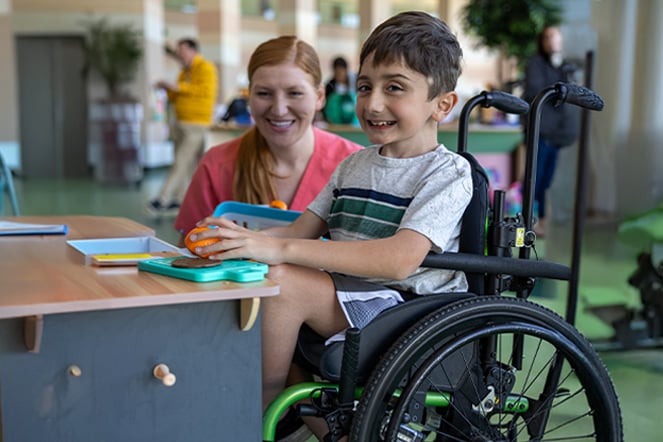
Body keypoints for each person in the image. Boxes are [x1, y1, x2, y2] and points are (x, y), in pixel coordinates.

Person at [188, 11, 472, 439]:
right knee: (264, 274)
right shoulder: (353, 164)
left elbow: (398, 261)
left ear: (443, 104)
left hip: (408, 310)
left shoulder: (447, 173)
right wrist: (237, 241)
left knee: (283, 281)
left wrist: (276, 252)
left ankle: (252, 412)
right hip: (352, 299)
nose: (373, 103)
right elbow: (297, 231)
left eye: (394, 87)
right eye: (364, 86)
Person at [173, 36, 362, 243]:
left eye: (295, 93)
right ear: (249, 96)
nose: (279, 109)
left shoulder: (355, 167)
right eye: (264, 93)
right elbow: (190, 252)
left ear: (319, 97)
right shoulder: (217, 165)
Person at [148, 38, 218, 215]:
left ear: (193, 50)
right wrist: (167, 89)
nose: (179, 56)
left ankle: (162, 199)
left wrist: (177, 87)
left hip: (196, 123)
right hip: (180, 122)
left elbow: (203, 91)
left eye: (182, 51)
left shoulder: (206, 68)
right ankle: (178, 200)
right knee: (183, 165)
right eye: (178, 52)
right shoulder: (183, 72)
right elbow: (177, 95)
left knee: (181, 161)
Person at [522, 25, 579, 237]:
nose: (551, 41)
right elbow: (536, 92)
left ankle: (542, 221)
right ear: (542, 41)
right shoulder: (536, 64)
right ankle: (530, 221)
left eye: (555, 36)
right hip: (540, 132)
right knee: (534, 180)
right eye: (547, 37)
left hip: (558, 135)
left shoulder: (565, 67)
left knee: (546, 182)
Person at [322, 56, 358, 125]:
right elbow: (325, 105)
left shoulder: (357, 81)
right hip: (338, 122)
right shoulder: (330, 86)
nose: (339, 76)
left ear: (346, 70)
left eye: (341, 72)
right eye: (336, 73)